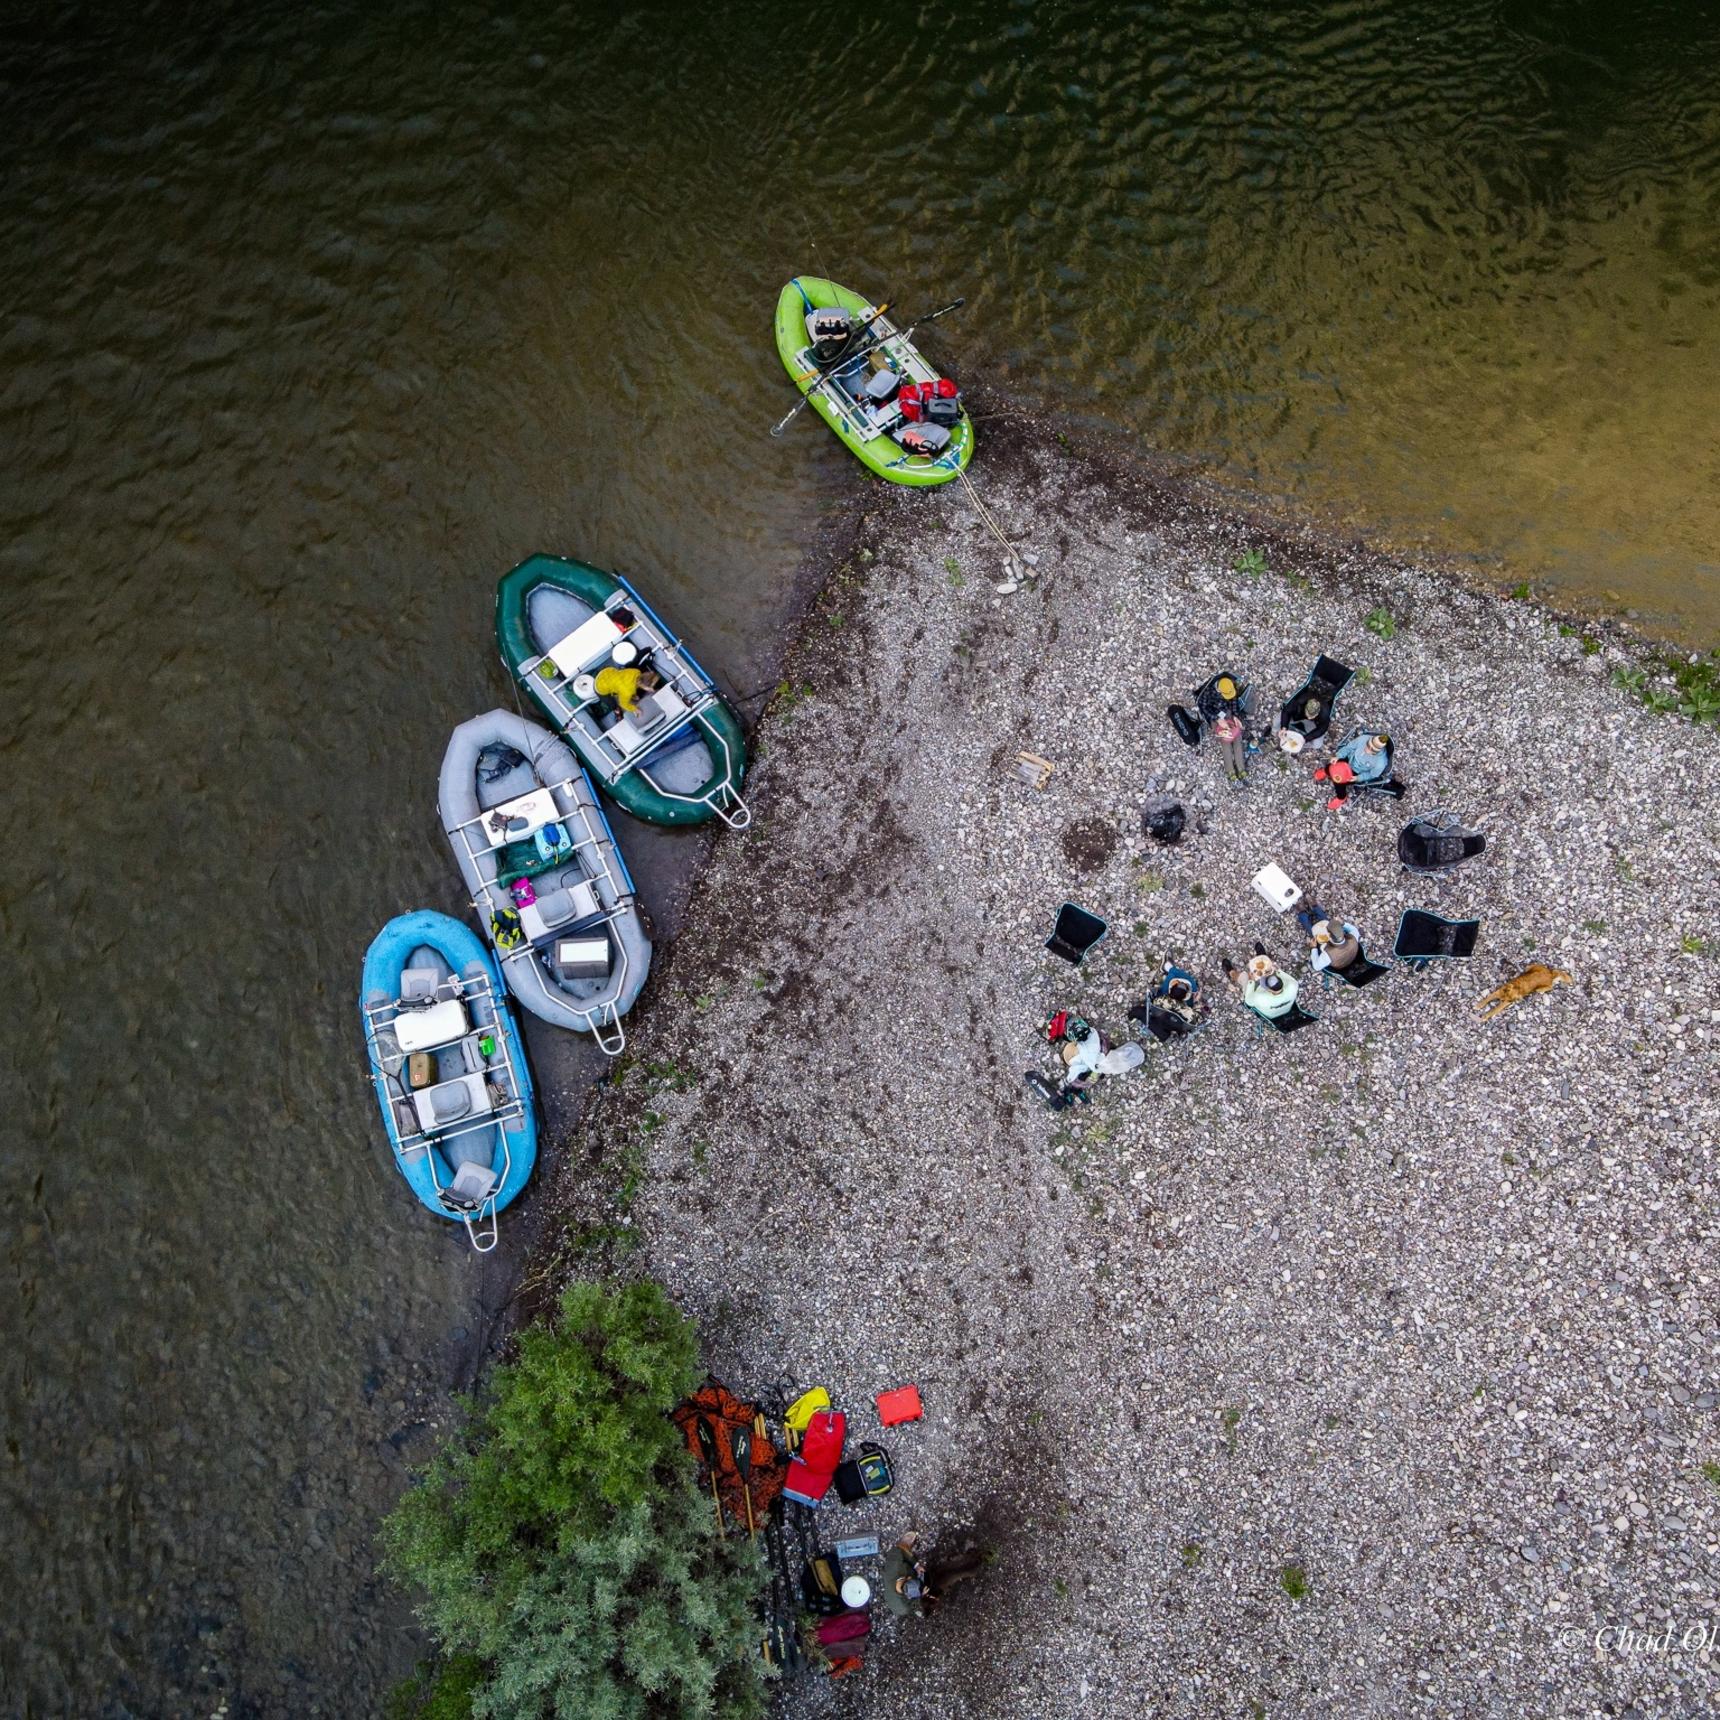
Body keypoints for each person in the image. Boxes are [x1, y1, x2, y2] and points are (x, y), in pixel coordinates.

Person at [1314, 732, 1403, 810]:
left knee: (1339, 782)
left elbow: (1372, 775)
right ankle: (1326, 771)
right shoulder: (1363, 739)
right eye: (1368, 745)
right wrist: (1339, 756)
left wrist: (1359, 777)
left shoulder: (1380, 763)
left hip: (1357, 772)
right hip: (1349, 759)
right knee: (1332, 765)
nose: (1367, 749)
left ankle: (1341, 797)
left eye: (1372, 750)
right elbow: (1349, 748)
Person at [1128, 962, 1206, 1042]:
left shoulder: (1161, 1000)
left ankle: (1170, 969)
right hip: (1172, 1029)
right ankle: (1171, 969)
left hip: (1159, 1019)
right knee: (1192, 984)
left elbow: (1154, 1001)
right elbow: (1199, 1020)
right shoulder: (1188, 1011)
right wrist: (1196, 1002)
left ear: (1171, 989)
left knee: (1173, 976)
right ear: (1185, 996)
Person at [1220, 944, 1299, 1019]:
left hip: (1270, 1016)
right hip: (1286, 1010)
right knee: (1270, 966)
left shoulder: (1260, 998)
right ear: (1282, 982)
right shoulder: (1293, 986)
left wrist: (1251, 980)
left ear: (1268, 990)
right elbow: (1280, 972)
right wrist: (1273, 968)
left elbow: (1249, 1002)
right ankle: (1263, 958)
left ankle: (1232, 973)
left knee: (1244, 977)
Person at [1296, 905, 1361, 974]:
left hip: (1337, 960)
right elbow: (1354, 930)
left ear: (1329, 935)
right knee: (1325, 922)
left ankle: (1302, 915)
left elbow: (1316, 966)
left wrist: (1313, 947)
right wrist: (1343, 923)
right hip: (1348, 955)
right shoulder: (1353, 938)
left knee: (1314, 932)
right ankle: (1315, 907)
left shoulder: (1328, 956)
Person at [882, 1533, 927, 1618]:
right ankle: (905, 1546)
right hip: (896, 1604)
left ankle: (905, 1545)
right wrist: (921, 1595)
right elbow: (913, 1603)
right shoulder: (904, 1608)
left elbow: (898, 1550)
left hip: (893, 1593)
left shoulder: (894, 1566)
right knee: (901, 1549)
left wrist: (916, 1565)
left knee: (903, 1549)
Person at [1212, 710, 1248, 783]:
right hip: (1215, 715)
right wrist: (1218, 719)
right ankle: (1230, 770)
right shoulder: (1206, 699)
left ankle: (1241, 768)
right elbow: (1205, 710)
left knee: (1237, 742)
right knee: (1226, 745)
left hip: (1228, 713)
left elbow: (1234, 705)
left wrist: (1236, 716)